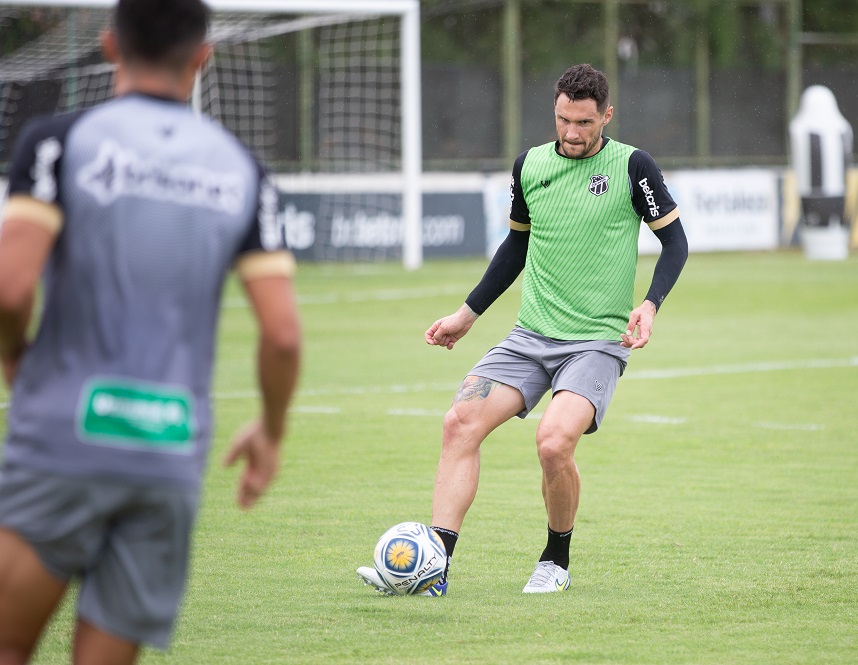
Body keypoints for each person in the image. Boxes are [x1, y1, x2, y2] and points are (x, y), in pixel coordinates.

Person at [0, 1, 301, 662]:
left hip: (60, 438)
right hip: (164, 452)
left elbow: (11, 288)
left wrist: (16, 357)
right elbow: (282, 334)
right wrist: (271, 430)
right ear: (203, 56)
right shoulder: (241, 171)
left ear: (109, 47)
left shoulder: (57, 142)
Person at [358, 63, 687, 596]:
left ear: (606, 115)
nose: (573, 133)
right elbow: (516, 245)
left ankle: (555, 562)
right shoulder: (529, 166)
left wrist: (650, 305)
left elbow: (676, 243)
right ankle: (434, 567)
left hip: (597, 342)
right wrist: (467, 314)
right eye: (563, 120)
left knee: (554, 444)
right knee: (458, 424)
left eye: (585, 122)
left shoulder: (634, 167)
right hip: (529, 337)